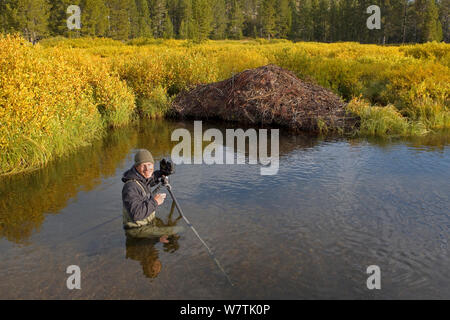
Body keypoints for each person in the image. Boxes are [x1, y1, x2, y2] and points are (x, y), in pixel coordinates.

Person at [122, 149, 183, 243]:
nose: (147, 168)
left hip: (146, 223)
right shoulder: (130, 187)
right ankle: (156, 240)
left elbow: (150, 179)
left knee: (169, 226)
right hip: (137, 229)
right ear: (136, 166)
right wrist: (155, 202)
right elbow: (136, 214)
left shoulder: (140, 178)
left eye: (150, 164)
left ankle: (156, 241)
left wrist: (162, 173)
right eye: (143, 165)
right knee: (179, 229)